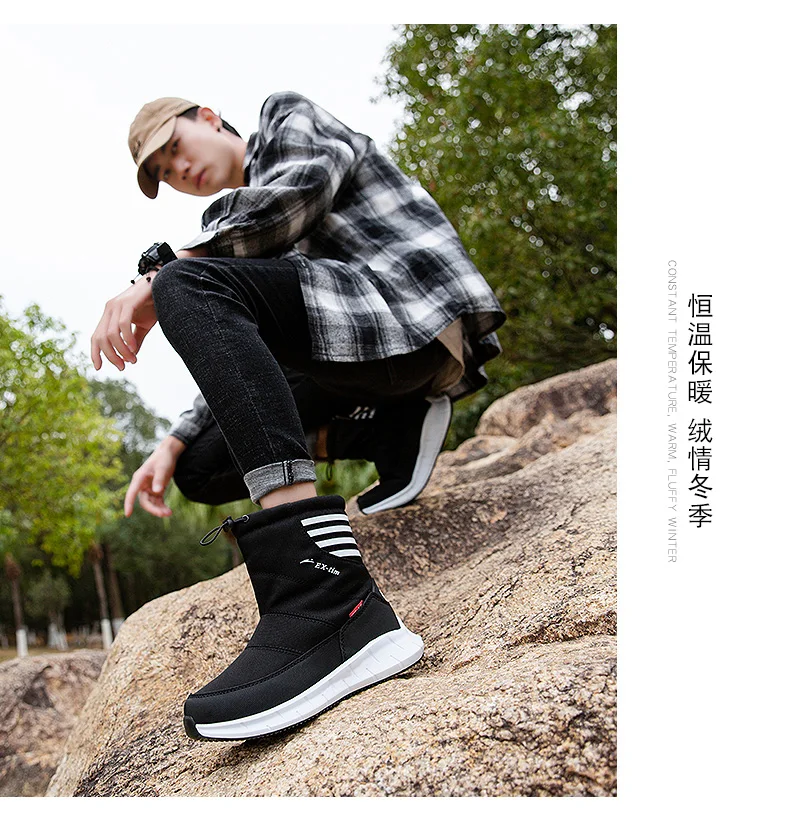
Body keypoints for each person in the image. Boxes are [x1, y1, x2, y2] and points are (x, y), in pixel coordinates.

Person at [91, 92, 506, 741]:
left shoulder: (285, 120)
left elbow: (293, 198)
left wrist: (160, 277)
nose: (180, 171)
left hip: (412, 317)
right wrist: (173, 442)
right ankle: (391, 430)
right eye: (165, 173)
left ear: (208, 119)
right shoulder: (233, 237)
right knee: (201, 465)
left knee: (184, 284)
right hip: (352, 349)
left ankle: (330, 597)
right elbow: (239, 351)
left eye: (174, 148)